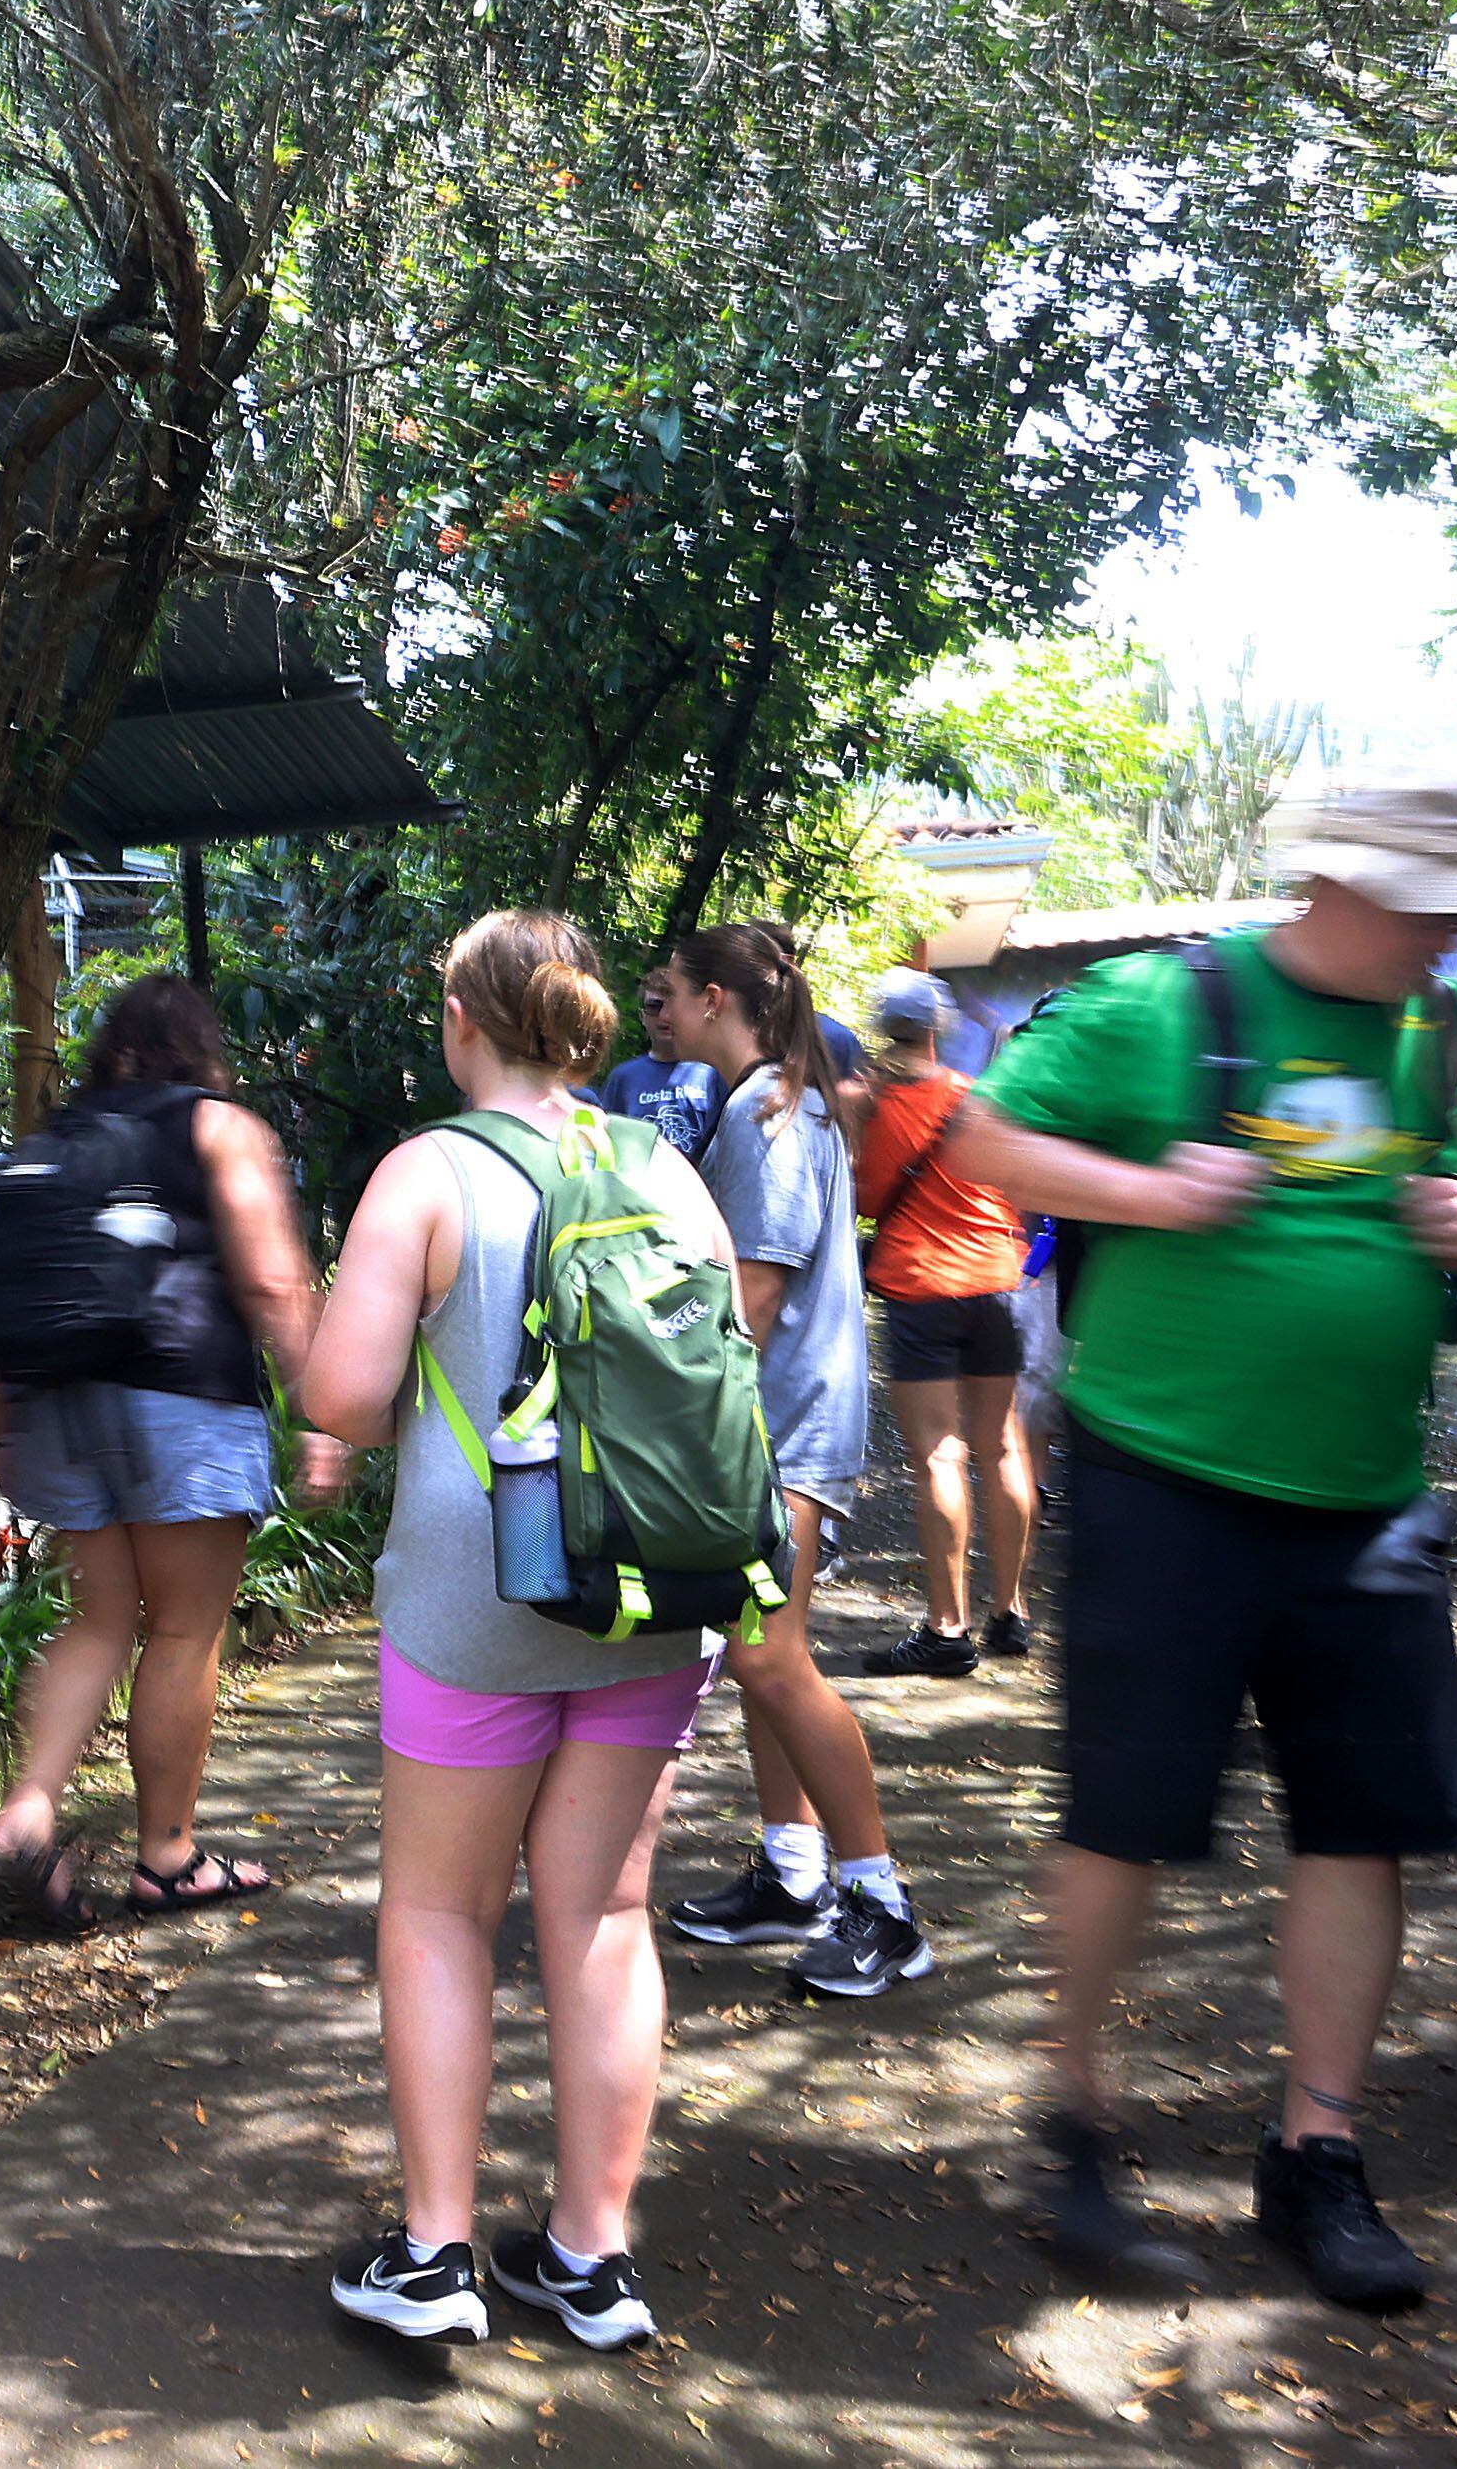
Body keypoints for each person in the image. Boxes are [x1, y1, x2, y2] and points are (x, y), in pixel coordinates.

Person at [950, 784, 1457, 2308]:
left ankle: (1318, 2152)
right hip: (1168, 1473)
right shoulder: (1166, 1001)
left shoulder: (1456, 1036)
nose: (1450, 930)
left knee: (1361, 1824)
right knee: (1127, 1815)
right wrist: (1153, 1189)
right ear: (1331, 882)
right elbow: (985, 1138)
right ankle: (1079, 2116)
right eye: (1424, 899)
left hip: (1368, 1495)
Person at [307, 911, 723, 2353]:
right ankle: (591, 2259)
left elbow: (346, 1397)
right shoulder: (666, 1163)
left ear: (461, 1018)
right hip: (649, 1601)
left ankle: (435, 2254)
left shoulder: (427, 1173)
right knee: (608, 1916)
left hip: (475, 1605)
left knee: (436, 1911)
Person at [0, 976, 327, 1918]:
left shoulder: (55, 1138)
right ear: (199, 1046)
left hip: (61, 1405)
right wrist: (321, 1407)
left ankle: (29, 1806)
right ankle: (167, 1852)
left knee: (98, 1620)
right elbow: (267, 1274)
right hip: (183, 1396)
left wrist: (11, 1428)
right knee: (183, 1627)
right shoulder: (215, 1124)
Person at [649, 924, 931, 2001]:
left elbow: (749, 1302)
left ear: (716, 997)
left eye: (665, 993)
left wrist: (670, 1421)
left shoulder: (772, 1115)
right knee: (750, 1649)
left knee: (770, 1659)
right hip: (771, 1425)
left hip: (781, 1429)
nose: (653, 1012)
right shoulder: (769, 1100)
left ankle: (883, 1906)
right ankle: (794, 1873)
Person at [853, 967, 1039, 1675]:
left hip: (921, 1285)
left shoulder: (873, 1104)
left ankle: (947, 1626)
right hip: (996, 1279)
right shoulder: (972, 1098)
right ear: (937, 1030)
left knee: (939, 1453)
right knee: (1002, 1447)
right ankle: (1011, 1610)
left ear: (883, 1029)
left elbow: (871, 1197)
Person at [594, 972, 716, 1159]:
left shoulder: (711, 1073)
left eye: (672, 1007)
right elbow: (606, 1143)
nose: (664, 1016)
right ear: (643, 1016)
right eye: (654, 1006)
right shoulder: (623, 1078)